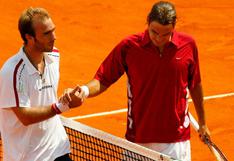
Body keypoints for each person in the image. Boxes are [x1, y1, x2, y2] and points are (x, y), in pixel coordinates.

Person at [69, 1, 211, 160]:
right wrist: (85, 91)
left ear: (174, 27)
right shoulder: (129, 47)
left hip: (175, 142)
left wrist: (203, 123)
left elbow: (195, 84)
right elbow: (103, 78)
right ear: (148, 22)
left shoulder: (188, 45)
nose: (159, 38)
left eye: (165, 34)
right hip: (138, 140)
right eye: (154, 32)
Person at [0, 7, 82, 161]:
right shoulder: (12, 72)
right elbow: (24, 117)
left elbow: (47, 96)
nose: (54, 37)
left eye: (53, 30)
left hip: (56, 148)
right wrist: (59, 107)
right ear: (29, 38)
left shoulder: (54, 56)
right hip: (28, 156)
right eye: (47, 33)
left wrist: (67, 97)